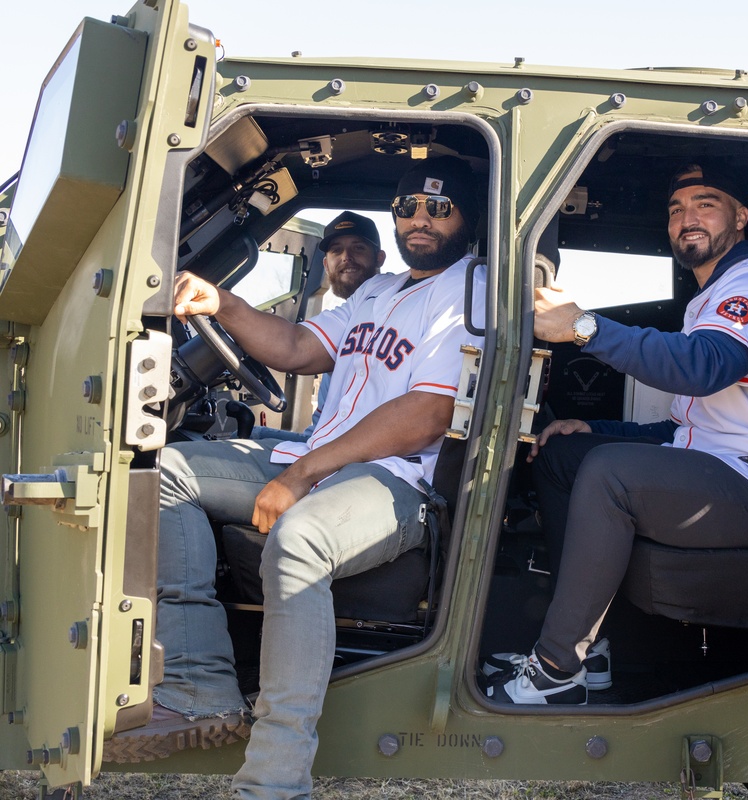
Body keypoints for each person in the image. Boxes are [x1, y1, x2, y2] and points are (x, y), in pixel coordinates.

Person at [105, 157, 485, 797]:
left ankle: (277, 779)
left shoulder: (468, 286)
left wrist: (302, 473)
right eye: (407, 208)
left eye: (438, 209)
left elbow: (429, 413)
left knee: (299, 540)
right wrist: (221, 301)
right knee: (164, 470)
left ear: (465, 217)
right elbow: (292, 348)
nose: (420, 220)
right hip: (322, 455)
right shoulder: (378, 289)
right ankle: (200, 689)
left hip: (396, 480)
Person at [485, 163, 748, 705]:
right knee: (564, 453)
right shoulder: (712, 295)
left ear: (740, 217)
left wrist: (584, 326)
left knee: (611, 473)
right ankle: (589, 649)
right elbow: (688, 430)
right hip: (728, 470)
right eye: (676, 209)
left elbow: (704, 367)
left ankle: (556, 669)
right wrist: (593, 426)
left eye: (705, 204)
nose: (687, 217)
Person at [251, 210, 385, 441]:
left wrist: (222, 305)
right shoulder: (345, 316)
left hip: (348, 451)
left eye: (358, 248)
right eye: (336, 250)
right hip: (319, 438)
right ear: (326, 264)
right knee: (250, 435)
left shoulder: (385, 309)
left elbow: (293, 346)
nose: (346, 257)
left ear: (379, 258)